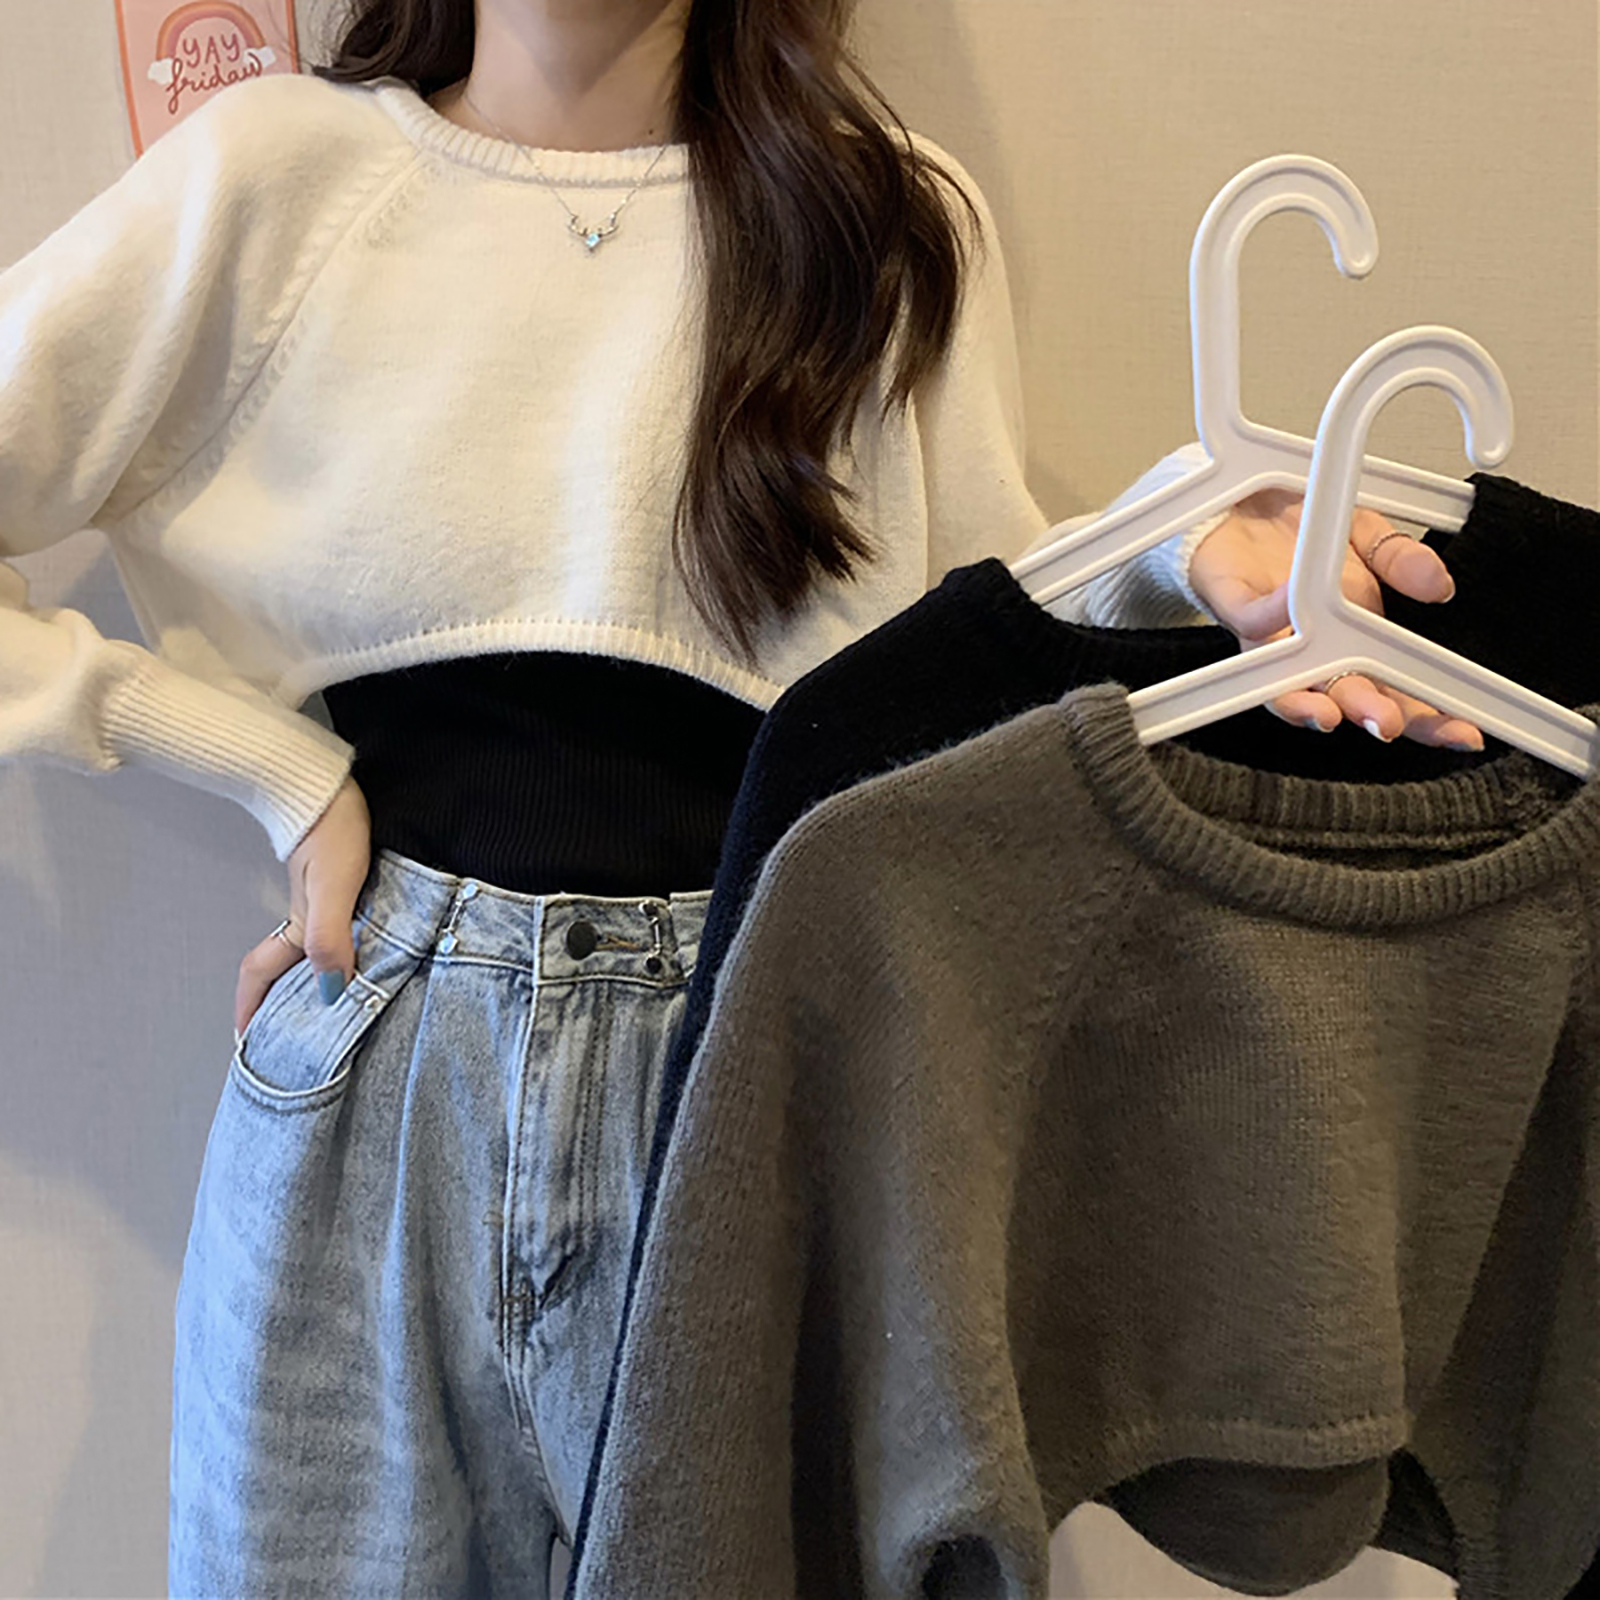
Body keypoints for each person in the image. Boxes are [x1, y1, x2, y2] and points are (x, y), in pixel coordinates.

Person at [0, 0, 1481, 1593]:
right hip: (382, 1069)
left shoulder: (876, 218)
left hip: (767, 1068)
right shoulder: (272, 181)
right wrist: (272, 774)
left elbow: (973, 643)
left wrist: (1179, 544)